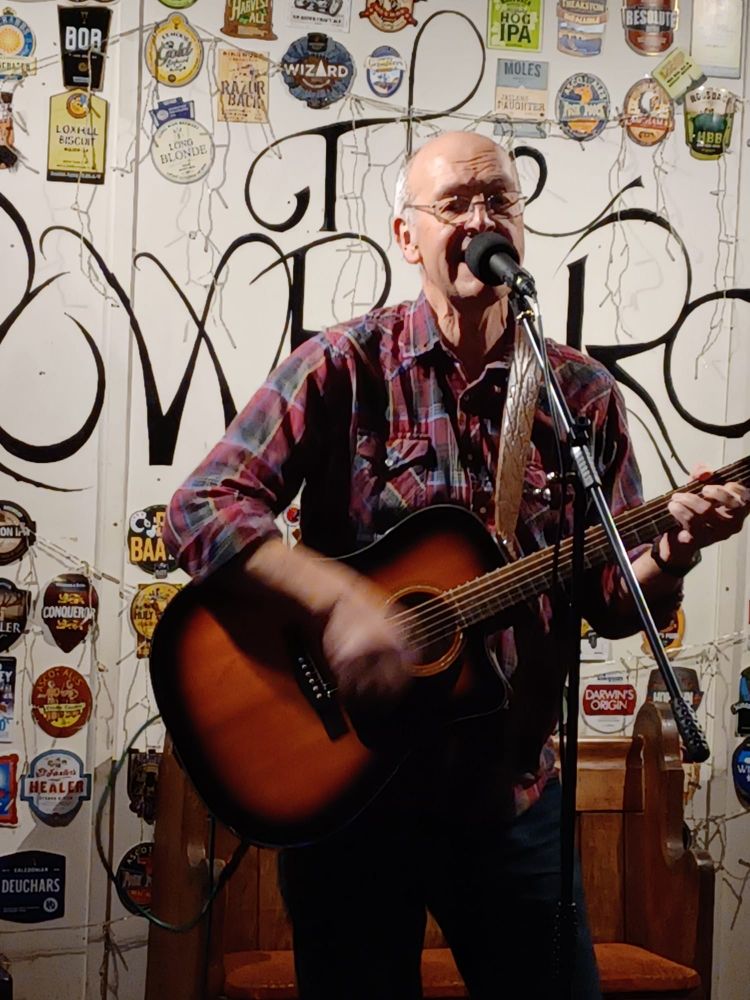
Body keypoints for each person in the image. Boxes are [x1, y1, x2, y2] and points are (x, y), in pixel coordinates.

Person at [163, 131, 749, 1000]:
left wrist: (670, 552)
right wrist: (339, 602)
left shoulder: (577, 394)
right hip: (351, 797)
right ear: (408, 237)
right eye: (456, 204)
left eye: (499, 200)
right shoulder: (343, 367)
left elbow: (614, 602)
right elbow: (201, 507)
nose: (481, 219)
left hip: (507, 797)